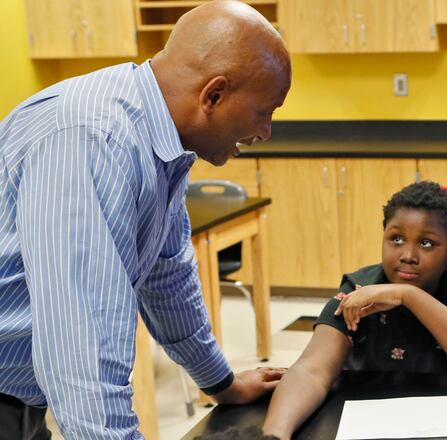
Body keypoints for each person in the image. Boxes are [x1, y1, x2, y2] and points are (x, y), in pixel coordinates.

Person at [0, 1, 291, 438]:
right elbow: (83, 348)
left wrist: (220, 383)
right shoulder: (94, 140)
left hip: (23, 397)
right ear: (213, 95)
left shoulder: (161, 141)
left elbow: (167, 276)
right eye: (265, 111)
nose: (266, 131)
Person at [261, 181, 447, 439]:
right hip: (373, 425)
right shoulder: (359, 288)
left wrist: (409, 295)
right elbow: (311, 371)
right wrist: (275, 435)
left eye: (426, 243)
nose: (408, 255)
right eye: (396, 239)